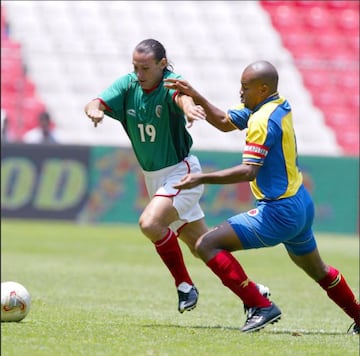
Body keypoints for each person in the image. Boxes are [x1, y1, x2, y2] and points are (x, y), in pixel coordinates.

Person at [164, 60, 360, 334]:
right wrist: (195, 94)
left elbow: (248, 171)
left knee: (206, 245)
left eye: (246, 87)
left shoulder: (261, 120)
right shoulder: (278, 105)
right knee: (319, 270)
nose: (240, 92)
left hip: (279, 211)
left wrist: (202, 178)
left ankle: (260, 306)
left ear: (263, 88)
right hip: (300, 204)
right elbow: (223, 122)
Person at [84, 38, 210, 313]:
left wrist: (189, 109)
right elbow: (97, 101)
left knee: (150, 224)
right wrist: (94, 109)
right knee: (204, 246)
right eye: (135, 67)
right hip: (154, 179)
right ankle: (255, 293)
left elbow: (182, 97)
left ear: (162, 65)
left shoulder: (170, 82)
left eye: (145, 68)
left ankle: (184, 286)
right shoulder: (129, 85)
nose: (139, 74)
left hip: (180, 172)